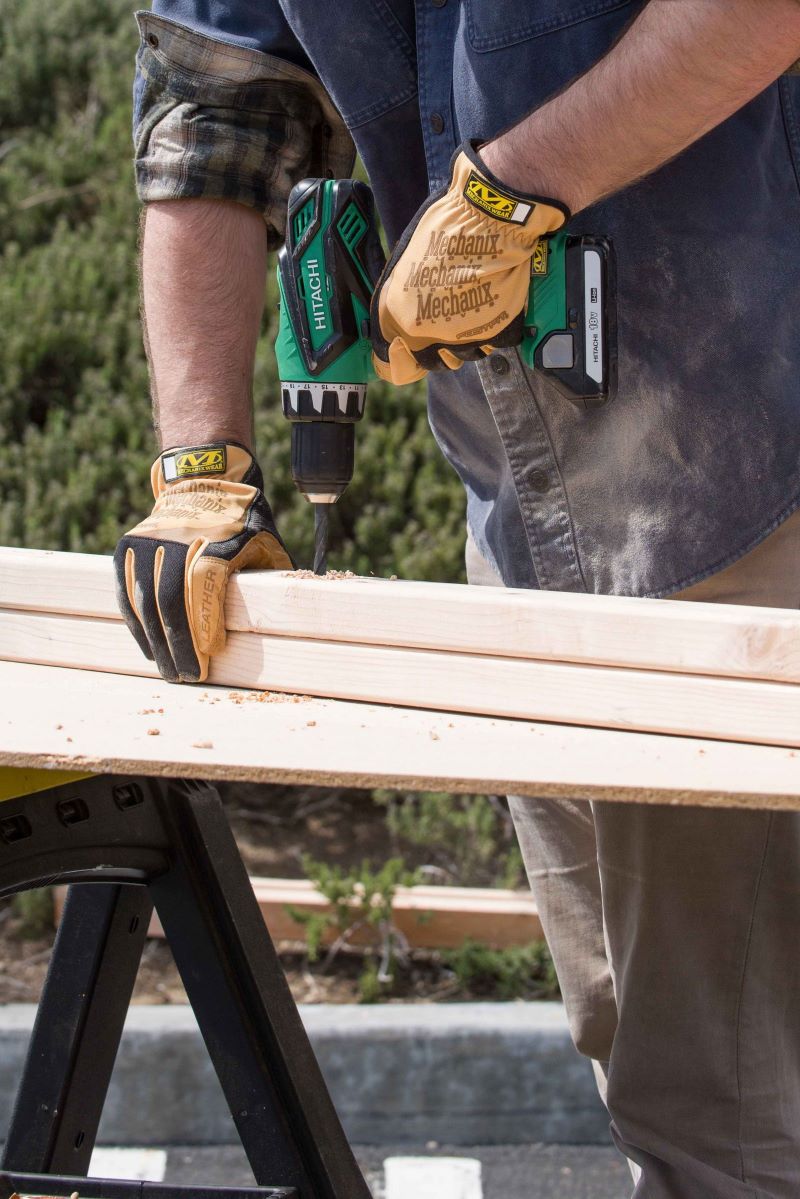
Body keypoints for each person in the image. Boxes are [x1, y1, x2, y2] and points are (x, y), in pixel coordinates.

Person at [115, 2, 800, 1193]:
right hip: (524, 519)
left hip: (751, 495)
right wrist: (200, 467)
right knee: (628, 1036)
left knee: (729, 1100)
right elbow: (212, 100)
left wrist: (513, 191)